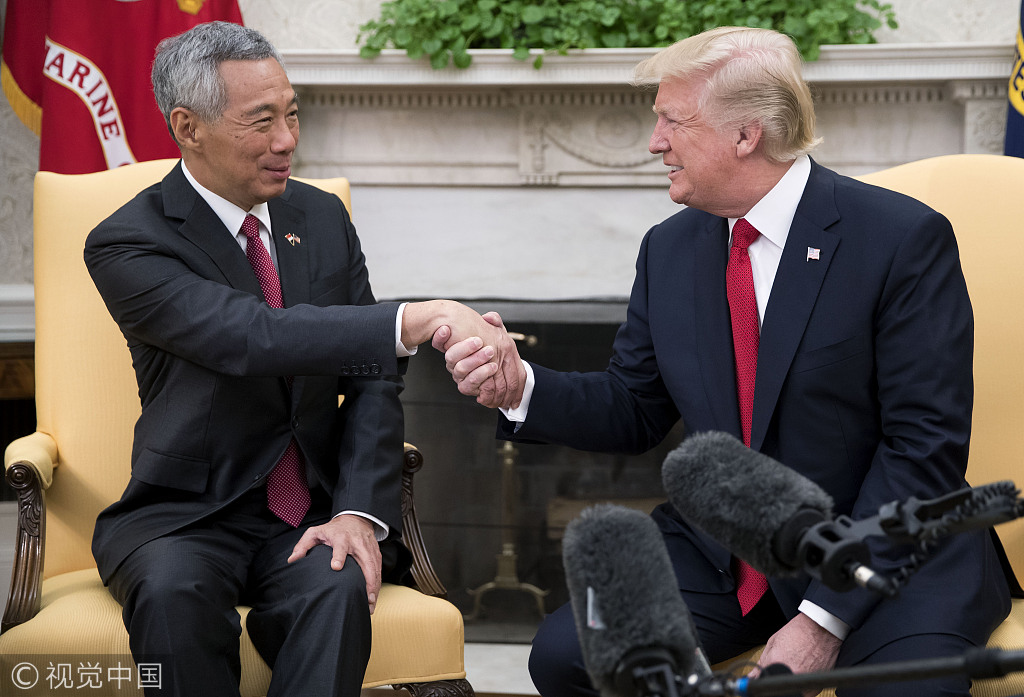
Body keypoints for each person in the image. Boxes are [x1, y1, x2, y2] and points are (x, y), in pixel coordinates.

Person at [438, 26, 1014, 697]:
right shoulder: (669, 249)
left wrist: (821, 621)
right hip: (726, 553)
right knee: (568, 656)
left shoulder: (901, 240)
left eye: (672, 120)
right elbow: (633, 405)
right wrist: (521, 386)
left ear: (746, 135)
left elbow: (923, 448)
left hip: (884, 550)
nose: (654, 142)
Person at [84, 21, 522, 697]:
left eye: (292, 114)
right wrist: (419, 316)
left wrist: (357, 511)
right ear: (188, 127)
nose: (287, 139)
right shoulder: (127, 241)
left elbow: (372, 378)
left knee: (339, 585)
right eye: (261, 121)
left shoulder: (320, 217)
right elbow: (247, 336)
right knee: (173, 596)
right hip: (186, 517)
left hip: (310, 512)